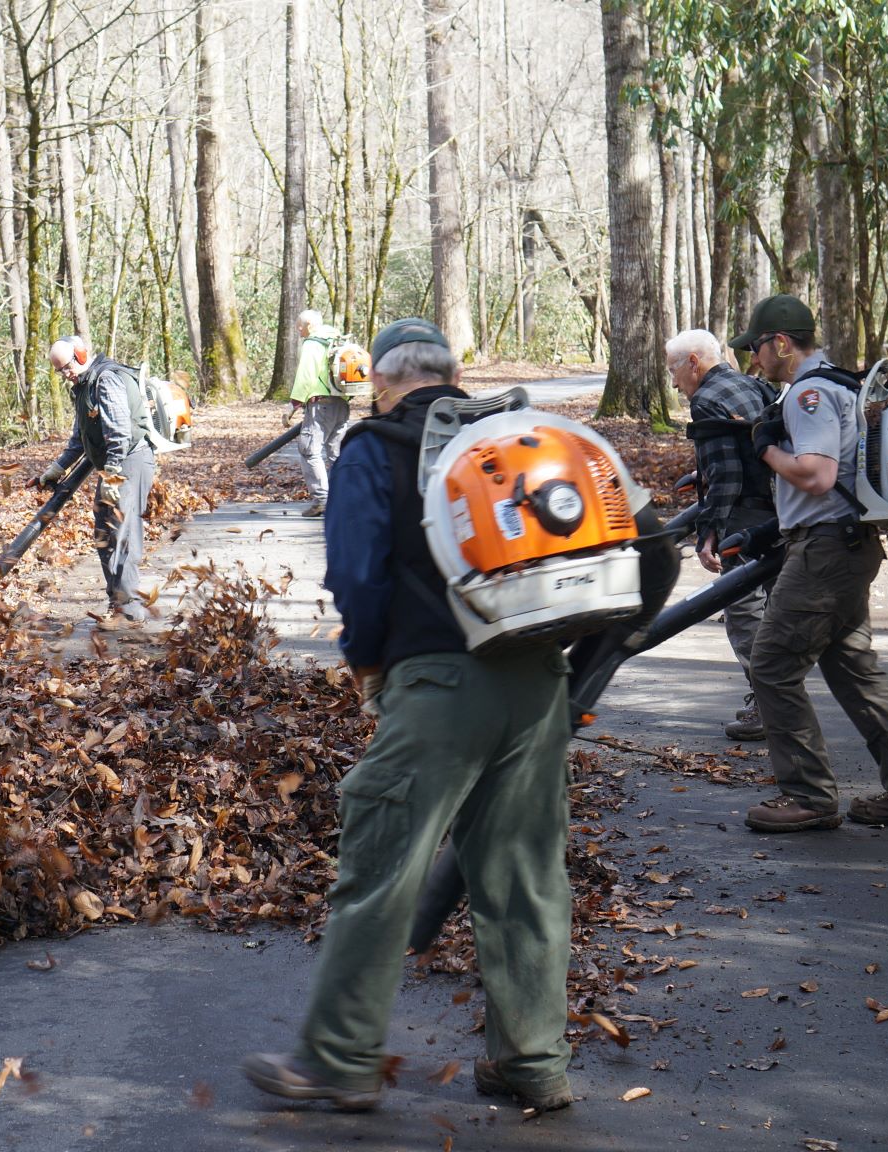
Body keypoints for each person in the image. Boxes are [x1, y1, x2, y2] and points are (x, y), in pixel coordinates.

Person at [242, 319, 577, 1113]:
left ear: (384, 382)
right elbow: (643, 546)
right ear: (453, 377)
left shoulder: (375, 446)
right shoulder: (519, 438)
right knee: (525, 878)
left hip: (439, 684)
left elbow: (356, 572)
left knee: (382, 867)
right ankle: (532, 1062)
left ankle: (339, 1059)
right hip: (536, 681)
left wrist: (367, 668)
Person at [727, 294, 888, 833]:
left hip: (827, 549)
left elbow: (817, 474)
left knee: (774, 664)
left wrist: (764, 449)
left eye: (756, 348)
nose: (753, 360)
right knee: (854, 671)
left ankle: (808, 796)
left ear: (780, 343)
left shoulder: (808, 393)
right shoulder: (837, 383)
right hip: (844, 544)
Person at [668, 328, 778, 740]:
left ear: (694, 362)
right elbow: (749, 446)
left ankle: (770, 707)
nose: (675, 383)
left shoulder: (706, 400)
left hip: (743, 515)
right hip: (775, 508)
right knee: (772, 605)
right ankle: (779, 700)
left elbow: (729, 474)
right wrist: (703, 472)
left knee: (745, 609)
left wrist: (707, 532)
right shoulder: (750, 384)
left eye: (675, 372)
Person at [38, 336, 157, 623]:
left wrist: (113, 475)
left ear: (80, 355)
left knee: (122, 532)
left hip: (129, 461)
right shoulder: (83, 388)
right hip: (114, 466)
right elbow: (80, 439)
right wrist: (56, 469)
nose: (66, 374)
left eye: (67, 367)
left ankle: (129, 609)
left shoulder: (106, 380)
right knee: (105, 533)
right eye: (60, 371)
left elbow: (119, 434)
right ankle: (119, 603)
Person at [286, 310, 352, 517]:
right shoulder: (337, 341)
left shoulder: (313, 343)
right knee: (336, 454)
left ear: (311, 325)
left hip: (320, 405)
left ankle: (322, 500)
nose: (298, 329)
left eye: (301, 325)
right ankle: (344, 498)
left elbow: (306, 376)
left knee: (309, 450)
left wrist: (292, 406)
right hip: (341, 404)